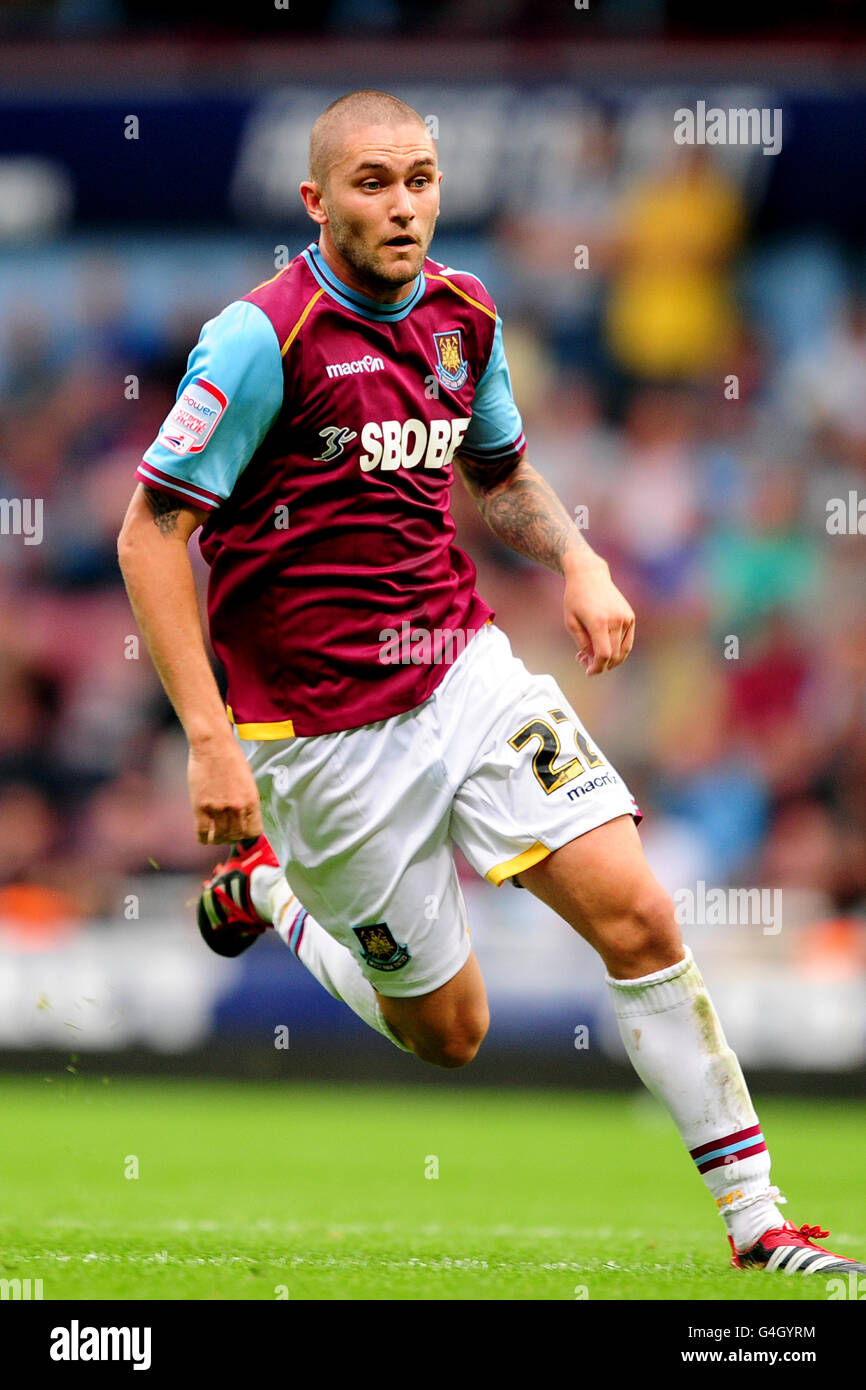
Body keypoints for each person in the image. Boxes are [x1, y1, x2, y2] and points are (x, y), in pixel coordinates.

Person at [118, 89, 864, 1279]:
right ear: (315, 203)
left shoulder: (464, 314)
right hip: (319, 736)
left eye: (418, 177)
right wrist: (208, 736)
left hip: (463, 669)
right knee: (448, 1033)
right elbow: (149, 533)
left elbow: (499, 472)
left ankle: (756, 1219)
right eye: (372, 182)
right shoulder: (261, 338)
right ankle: (269, 894)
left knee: (637, 908)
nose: (402, 202)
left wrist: (576, 558)